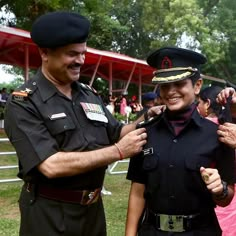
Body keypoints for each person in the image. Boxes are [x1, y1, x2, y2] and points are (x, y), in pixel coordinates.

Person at [3, 11, 156, 236]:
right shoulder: (24, 102)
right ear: (45, 53)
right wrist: (118, 152)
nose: (81, 61)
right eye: (72, 54)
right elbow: (50, 165)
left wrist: (148, 117)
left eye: (83, 53)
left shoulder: (88, 94)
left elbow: (116, 131)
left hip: (92, 212)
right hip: (49, 214)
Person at [125, 46, 235, 236]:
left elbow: (227, 196)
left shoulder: (219, 134)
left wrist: (221, 189)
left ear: (197, 85)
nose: (171, 92)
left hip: (200, 231)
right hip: (152, 231)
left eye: (179, 84)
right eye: (165, 86)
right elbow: (137, 192)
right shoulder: (144, 133)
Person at [198, 85, 236, 236]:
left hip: (213, 210)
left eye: (198, 102)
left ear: (207, 104)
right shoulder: (230, 128)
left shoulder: (205, 132)